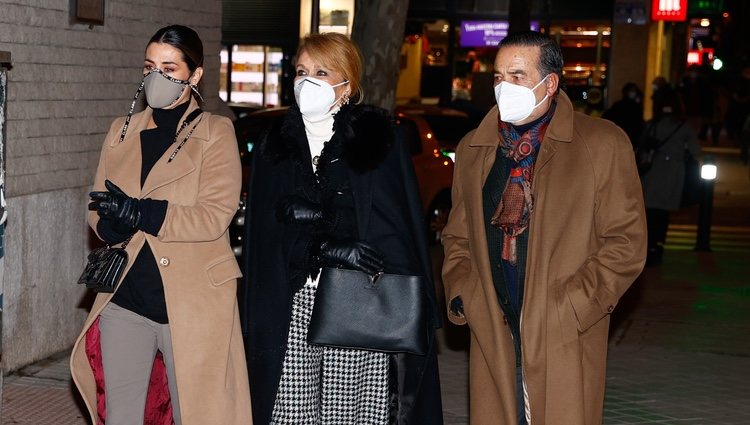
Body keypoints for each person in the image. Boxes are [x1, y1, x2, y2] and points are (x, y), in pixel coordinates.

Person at [441, 31, 647, 425]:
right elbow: (457, 236)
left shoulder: (601, 144)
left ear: (549, 83)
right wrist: (465, 293)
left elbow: (626, 241)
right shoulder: (475, 148)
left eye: (518, 76)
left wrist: (573, 307)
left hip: (563, 331)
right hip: (494, 326)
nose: (504, 87)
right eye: (499, 77)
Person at [239, 32, 443, 425]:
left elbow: (389, 228)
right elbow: (267, 235)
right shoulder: (276, 146)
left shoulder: (376, 142)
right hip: (292, 300)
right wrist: (321, 248)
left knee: (347, 415)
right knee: (288, 411)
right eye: (300, 71)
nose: (306, 81)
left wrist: (328, 229)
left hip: (356, 303)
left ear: (347, 85)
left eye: (321, 71)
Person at [70, 25, 252, 425]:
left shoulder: (216, 133)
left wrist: (142, 213)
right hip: (126, 299)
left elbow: (214, 215)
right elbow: (97, 208)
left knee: (200, 414)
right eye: (150, 66)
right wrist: (113, 224)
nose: (157, 77)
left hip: (194, 300)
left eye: (170, 68)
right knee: (121, 415)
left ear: (195, 75)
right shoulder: (121, 131)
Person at [638, 88, 701, 266]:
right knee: (663, 212)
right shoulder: (683, 127)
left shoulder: (652, 124)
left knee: (649, 211)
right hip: (673, 171)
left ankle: (648, 246)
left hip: (652, 169)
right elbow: (696, 151)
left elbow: (641, 145)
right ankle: (658, 246)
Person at [602, 82, 645, 148]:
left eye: (634, 91)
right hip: (624, 137)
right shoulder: (621, 105)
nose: (633, 93)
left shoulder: (636, 106)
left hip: (626, 137)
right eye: (631, 91)